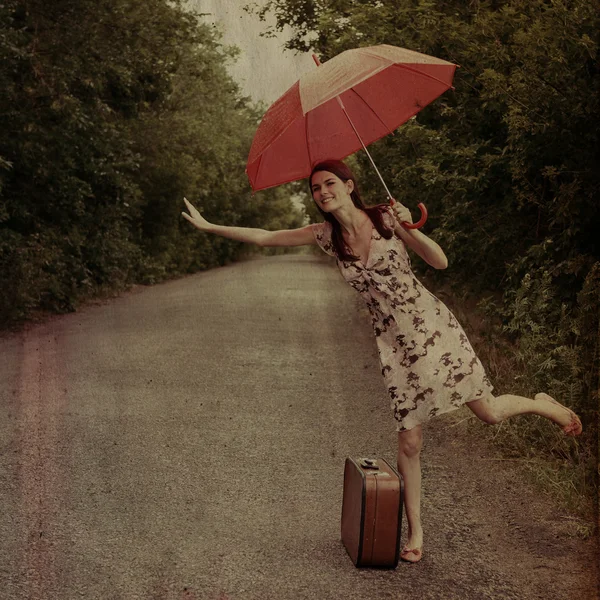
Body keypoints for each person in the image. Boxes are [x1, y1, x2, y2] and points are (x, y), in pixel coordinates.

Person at [181, 159, 582, 564]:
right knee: (410, 441)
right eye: (316, 188)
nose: (322, 192)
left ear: (350, 185)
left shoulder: (387, 219)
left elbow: (439, 261)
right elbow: (266, 237)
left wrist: (410, 226)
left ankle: (542, 404)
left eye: (330, 183)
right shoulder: (326, 237)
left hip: (432, 329)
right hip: (394, 347)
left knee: (489, 413)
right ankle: (416, 533)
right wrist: (211, 227)